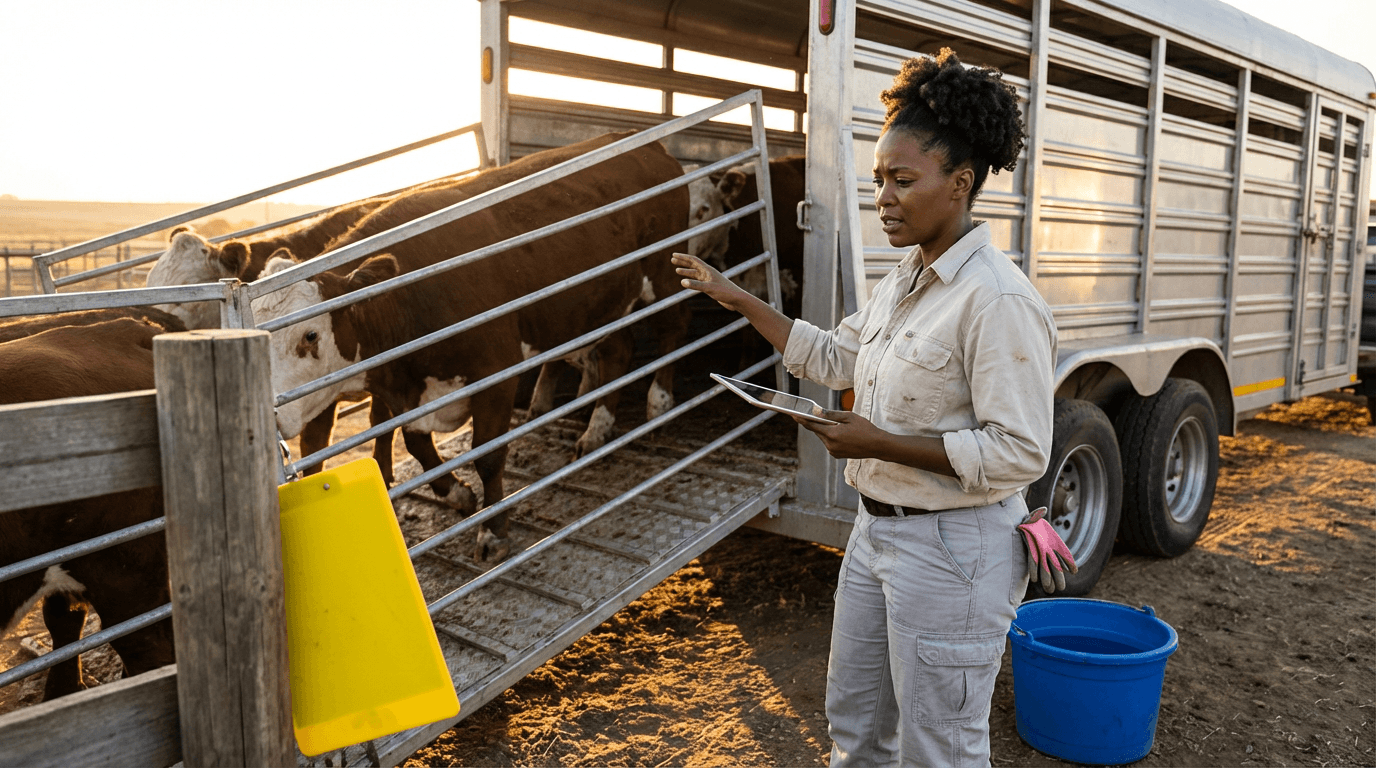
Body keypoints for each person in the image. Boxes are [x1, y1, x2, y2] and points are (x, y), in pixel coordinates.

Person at [672, 48, 1064, 767]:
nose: (882, 196)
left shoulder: (998, 300)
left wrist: (877, 441)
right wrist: (738, 298)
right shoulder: (905, 277)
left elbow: (1018, 452)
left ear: (961, 184)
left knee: (936, 748)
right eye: (879, 178)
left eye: (903, 180)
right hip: (875, 533)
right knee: (855, 730)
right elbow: (832, 357)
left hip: (956, 549)